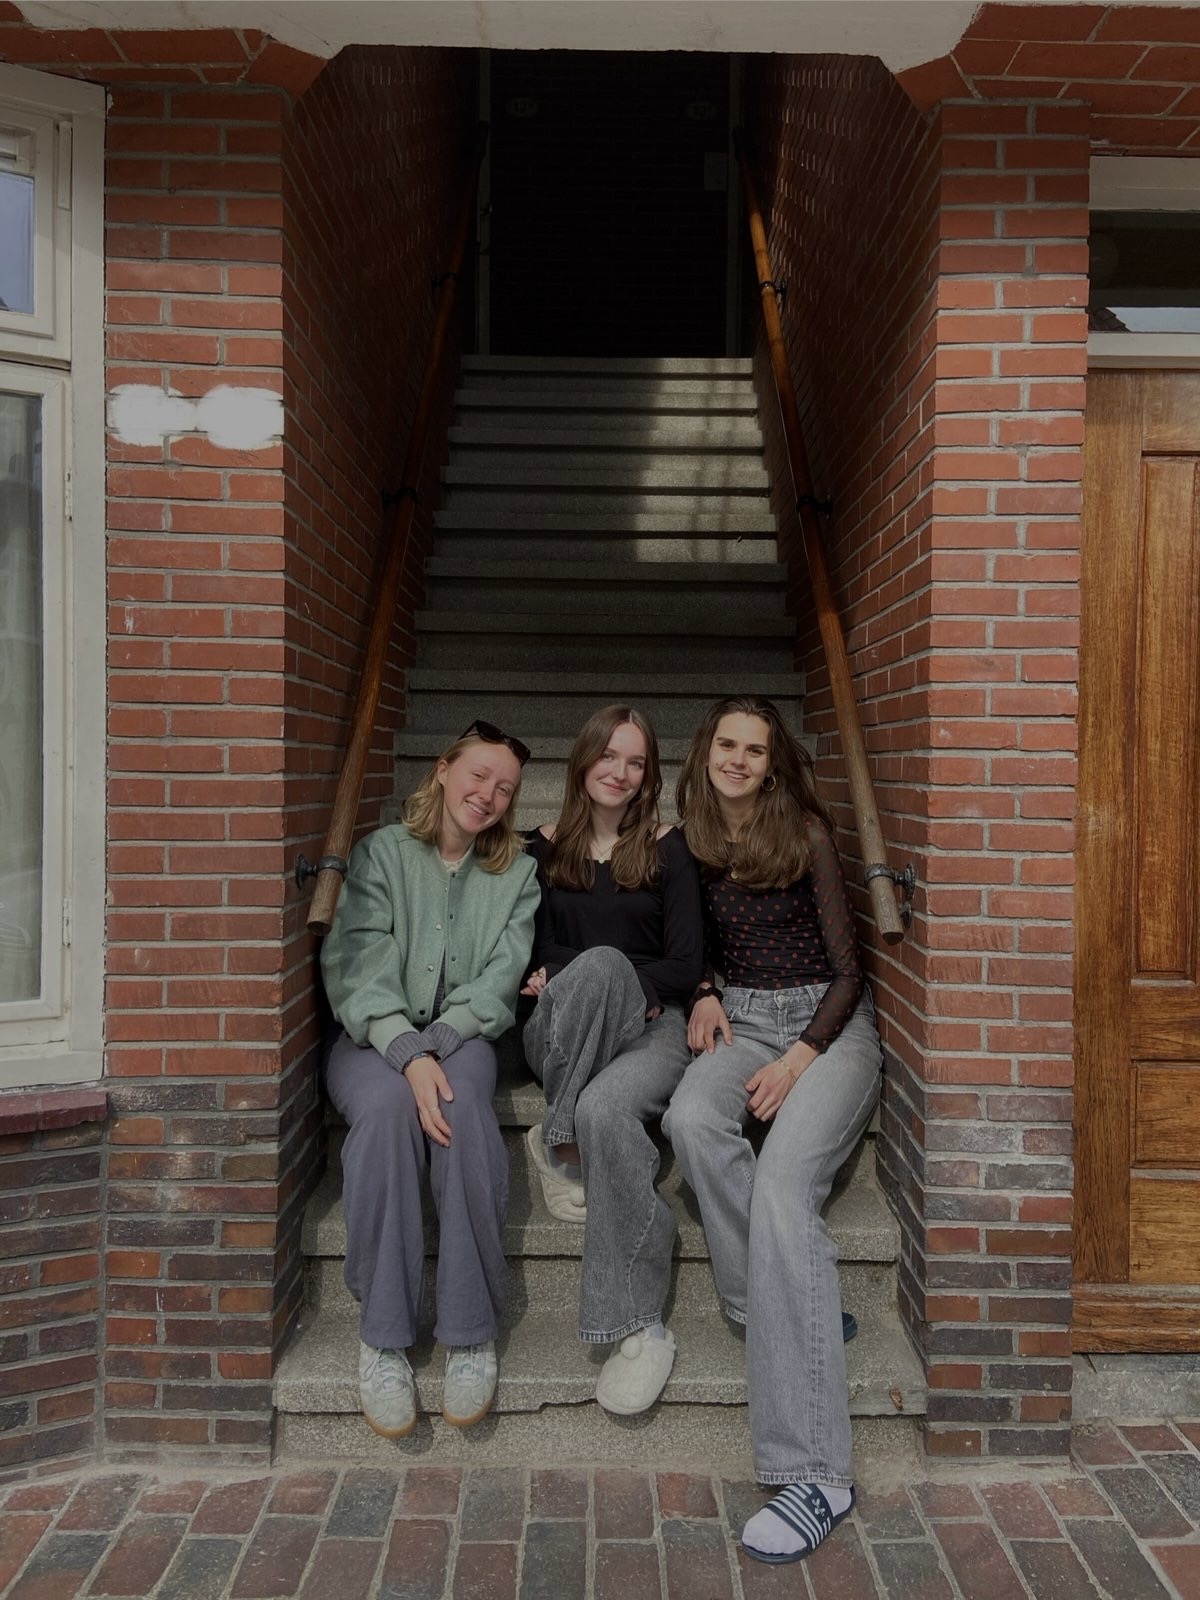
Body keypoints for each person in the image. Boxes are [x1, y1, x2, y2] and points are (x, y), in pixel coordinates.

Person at [663, 696, 883, 1564]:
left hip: (827, 1029)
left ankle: (819, 1473)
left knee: (787, 1190)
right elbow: (692, 948)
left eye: (755, 749)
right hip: (743, 1020)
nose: (739, 759)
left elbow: (850, 971)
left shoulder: (808, 836)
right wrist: (704, 991)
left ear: (772, 764)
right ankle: (772, 1306)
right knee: (689, 1117)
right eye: (727, 744)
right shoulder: (690, 842)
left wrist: (799, 1059)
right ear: (706, 753)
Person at [320, 721, 539, 1439]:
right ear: (443, 770)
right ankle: (384, 1339)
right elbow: (355, 962)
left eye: (504, 788)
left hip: (464, 1037)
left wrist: (441, 1042)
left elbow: (504, 973)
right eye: (478, 775)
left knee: (462, 1111)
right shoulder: (381, 853)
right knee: (387, 1116)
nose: (489, 795)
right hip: (372, 1036)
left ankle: (470, 1333)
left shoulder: (517, 874)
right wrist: (408, 1051)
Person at [521, 705, 703, 1415]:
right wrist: (597, 972)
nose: (619, 772)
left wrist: (621, 981)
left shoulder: (669, 850)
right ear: (583, 759)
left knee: (605, 1108)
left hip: (653, 1030)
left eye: (635, 761)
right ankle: (563, 1135)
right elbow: (531, 953)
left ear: (648, 774)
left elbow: (685, 964)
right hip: (561, 1031)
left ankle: (640, 1326)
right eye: (608, 755)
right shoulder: (537, 850)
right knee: (597, 965)